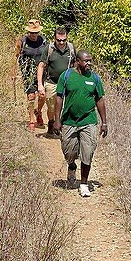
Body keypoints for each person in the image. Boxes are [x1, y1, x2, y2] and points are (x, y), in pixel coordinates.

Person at [51, 51, 108, 197]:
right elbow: (59, 98)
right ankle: (71, 166)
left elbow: (99, 100)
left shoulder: (94, 78)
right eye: (86, 61)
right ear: (77, 61)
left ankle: (83, 184)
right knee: (69, 151)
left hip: (88, 121)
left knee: (87, 152)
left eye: (90, 61)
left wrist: (104, 122)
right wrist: (57, 120)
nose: (89, 63)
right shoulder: (67, 76)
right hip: (69, 121)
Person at [36, 27, 74, 138]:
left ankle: (63, 128)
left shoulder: (71, 49)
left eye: (64, 40)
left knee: (66, 107)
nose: (61, 42)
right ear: (54, 38)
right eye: (59, 40)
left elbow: (76, 65)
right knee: (51, 107)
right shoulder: (49, 49)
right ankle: (51, 124)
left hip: (67, 84)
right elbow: (41, 66)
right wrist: (40, 85)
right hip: (52, 82)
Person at [13, 19, 49, 131]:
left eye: (36, 33)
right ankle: (31, 119)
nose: (34, 35)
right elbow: (16, 56)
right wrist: (13, 71)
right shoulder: (22, 41)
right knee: (31, 96)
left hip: (42, 72)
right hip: (28, 72)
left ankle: (38, 112)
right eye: (32, 33)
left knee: (42, 95)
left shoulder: (44, 41)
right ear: (28, 32)